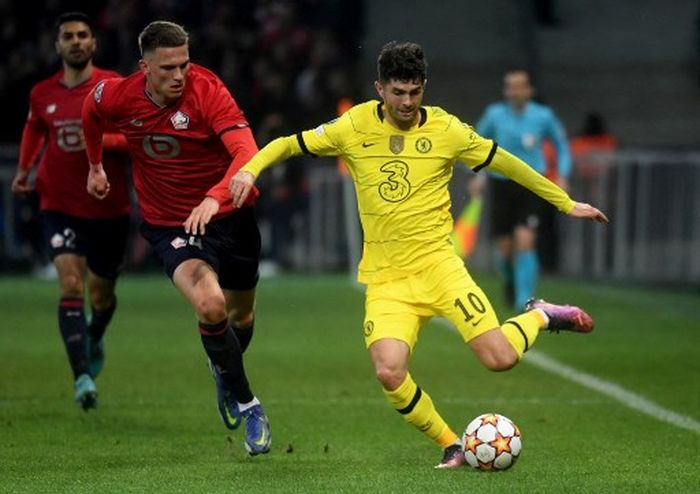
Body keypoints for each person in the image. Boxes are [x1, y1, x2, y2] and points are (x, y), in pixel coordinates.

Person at [191, 41, 608, 468]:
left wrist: (564, 202)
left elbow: (508, 163)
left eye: (414, 92)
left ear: (423, 87)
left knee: (499, 359)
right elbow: (286, 144)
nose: (407, 102)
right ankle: (453, 445)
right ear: (379, 89)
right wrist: (249, 169)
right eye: (397, 92)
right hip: (387, 280)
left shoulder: (447, 130)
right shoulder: (352, 126)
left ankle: (541, 314)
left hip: (440, 268)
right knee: (389, 371)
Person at [81, 21, 271, 456]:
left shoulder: (208, 92)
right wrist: (94, 165)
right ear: (143, 66)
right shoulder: (118, 94)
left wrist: (213, 197)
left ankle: (224, 370)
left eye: (184, 64)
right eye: (167, 67)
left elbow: (247, 152)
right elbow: (90, 113)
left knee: (240, 317)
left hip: (230, 215)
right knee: (210, 304)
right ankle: (249, 405)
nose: (179, 75)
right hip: (172, 223)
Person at [11, 12, 131, 411]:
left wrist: (98, 140)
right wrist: (26, 170)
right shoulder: (42, 94)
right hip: (58, 204)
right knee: (69, 285)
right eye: (68, 36)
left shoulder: (113, 86)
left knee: (101, 295)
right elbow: (34, 130)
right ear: (58, 45)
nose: (76, 42)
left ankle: (95, 333)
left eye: (83, 35)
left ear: (93, 44)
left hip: (108, 207)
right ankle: (81, 376)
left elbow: (135, 136)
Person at [475, 69, 572, 310]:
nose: (515, 91)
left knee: (526, 240)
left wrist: (562, 173)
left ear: (529, 90)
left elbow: (562, 145)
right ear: (506, 90)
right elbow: (473, 142)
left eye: (520, 86)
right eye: (510, 86)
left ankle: (524, 300)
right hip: (501, 184)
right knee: (505, 250)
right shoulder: (494, 115)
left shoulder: (543, 116)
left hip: (531, 183)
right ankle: (510, 282)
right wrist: (475, 173)